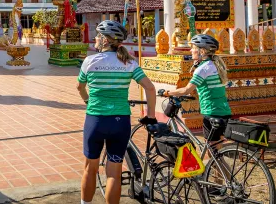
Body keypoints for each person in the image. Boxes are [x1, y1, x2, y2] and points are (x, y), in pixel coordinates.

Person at [77, 20, 157, 204]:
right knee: (114, 172)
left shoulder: (90, 61)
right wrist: (151, 116)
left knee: (90, 168)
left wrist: (87, 101)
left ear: (105, 40)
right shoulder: (128, 62)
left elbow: (79, 87)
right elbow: (150, 88)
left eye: (98, 35)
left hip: (95, 120)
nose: (95, 38)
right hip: (120, 123)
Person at [159, 34, 231, 146]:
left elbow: (186, 90)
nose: (191, 50)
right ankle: (219, 162)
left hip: (212, 111)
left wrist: (167, 93)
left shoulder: (203, 68)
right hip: (224, 110)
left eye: (193, 48)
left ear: (202, 51)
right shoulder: (215, 65)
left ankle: (215, 162)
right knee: (218, 143)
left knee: (211, 146)